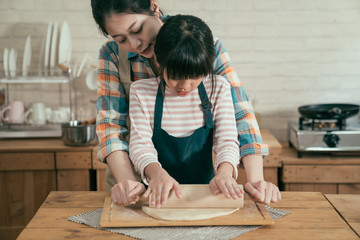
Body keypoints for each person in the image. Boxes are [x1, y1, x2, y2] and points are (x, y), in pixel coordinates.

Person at [91, 0, 281, 206]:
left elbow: (240, 114)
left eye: (137, 29)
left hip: (196, 184)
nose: (134, 44)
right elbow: (110, 127)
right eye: (121, 39)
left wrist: (256, 181)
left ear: (153, 6)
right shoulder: (113, 57)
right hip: (133, 180)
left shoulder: (202, 44)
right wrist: (129, 183)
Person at [129, 14, 243, 208]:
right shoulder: (141, 92)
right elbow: (140, 145)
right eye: (174, 76)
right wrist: (157, 175)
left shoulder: (218, 88)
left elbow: (227, 140)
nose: (184, 86)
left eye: (195, 77)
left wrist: (224, 173)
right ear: (159, 60)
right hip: (158, 196)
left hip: (205, 194)